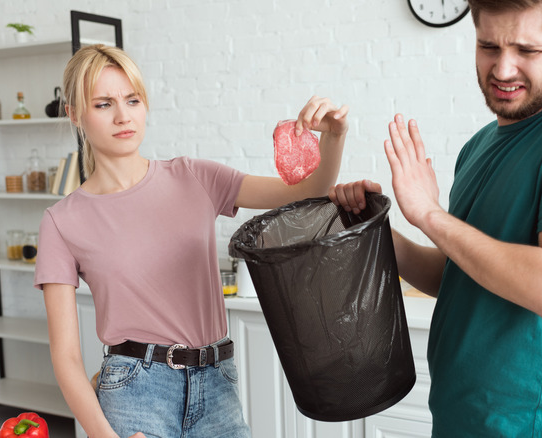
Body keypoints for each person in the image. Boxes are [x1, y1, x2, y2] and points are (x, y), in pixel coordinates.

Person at [329, 0, 542, 436]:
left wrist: (429, 214)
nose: (503, 68)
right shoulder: (478, 147)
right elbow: (454, 274)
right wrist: (374, 230)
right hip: (459, 421)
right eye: (488, 46)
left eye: (527, 51)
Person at [34, 44, 349, 438]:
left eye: (132, 100)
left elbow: (308, 190)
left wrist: (334, 137)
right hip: (135, 393)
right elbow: (64, 356)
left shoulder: (194, 177)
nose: (123, 115)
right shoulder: (61, 221)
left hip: (218, 383)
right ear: (75, 114)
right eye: (103, 104)